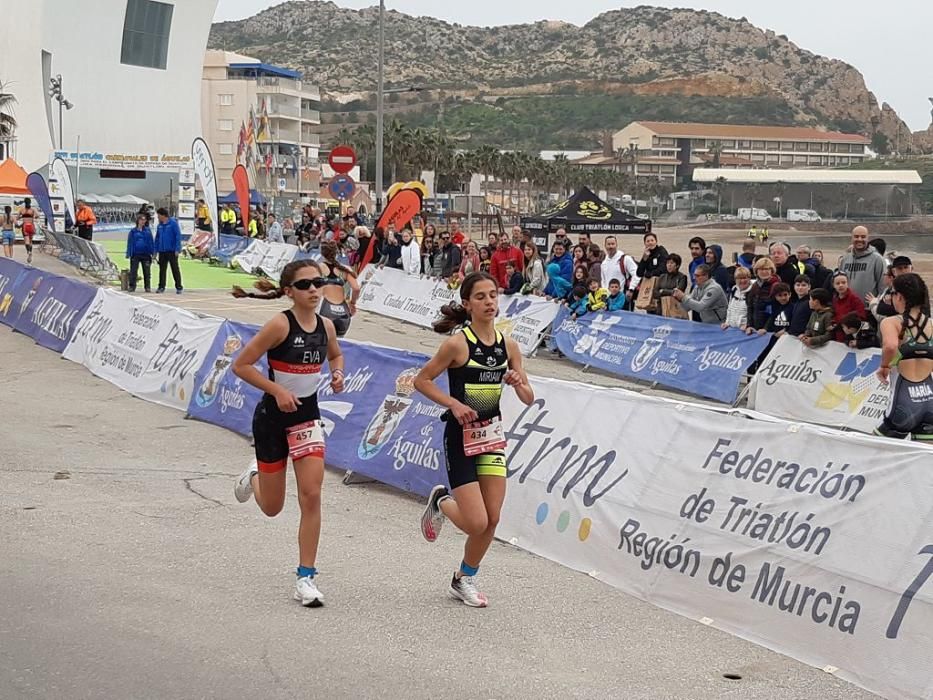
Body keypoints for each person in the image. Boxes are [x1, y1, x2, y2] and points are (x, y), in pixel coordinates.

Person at [415, 272, 534, 607]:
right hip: (461, 437)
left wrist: (516, 381)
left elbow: (528, 396)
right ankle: (441, 501)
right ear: (467, 305)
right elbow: (422, 380)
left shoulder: (509, 346)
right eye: (480, 297)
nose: (489, 302)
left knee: (492, 519)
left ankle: (463, 578)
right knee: (476, 521)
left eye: (493, 295)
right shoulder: (457, 344)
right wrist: (453, 404)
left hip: (491, 436)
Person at [232, 260, 345, 607]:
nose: (314, 289)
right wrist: (277, 391)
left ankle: (305, 577)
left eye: (319, 282)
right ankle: (253, 476)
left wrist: (337, 374)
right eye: (306, 284)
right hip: (272, 419)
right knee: (272, 507)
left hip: (307, 418)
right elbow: (242, 365)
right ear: (289, 291)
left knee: (311, 496)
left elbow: (335, 356)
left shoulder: (326, 326)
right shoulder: (280, 324)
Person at [875, 273, 933, 440]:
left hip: (904, 401)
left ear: (899, 296)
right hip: (929, 398)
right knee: (922, 459)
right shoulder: (930, 323)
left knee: (876, 455)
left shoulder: (891, 322)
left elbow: (891, 346)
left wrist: (884, 366)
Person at [838, 226, 886, 299]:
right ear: (852, 238)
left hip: (868, 308)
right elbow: (839, 283)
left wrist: (877, 304)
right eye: (856, 236)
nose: (859, 239)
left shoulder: (877, 259)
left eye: (863, 237)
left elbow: (883, 286)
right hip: (848, 307)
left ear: (867, 239)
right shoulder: (845, 259)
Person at [745, 258, 780, 334]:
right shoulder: (755, 285)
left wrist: (765, 328)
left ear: (772, 271)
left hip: (769, 330)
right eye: (761, 269)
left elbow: (776, 310)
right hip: (755, 328)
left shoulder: (776, 286)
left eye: (767, 269)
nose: (764, 272)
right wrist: (749, 325)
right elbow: (750, 307)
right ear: (756, 271)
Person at [154, 207, 183, 294]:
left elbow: (178, 236)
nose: (158, 218)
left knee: (175, 268)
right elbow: (157, 239)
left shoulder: (173, 224)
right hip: (162, 250)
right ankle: (161, 286)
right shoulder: (160, 226)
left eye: (159, 216)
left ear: (163, 215)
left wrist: (177, 249)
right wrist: (155, 251)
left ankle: (179, 286)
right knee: (162, 269)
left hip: (172, 250)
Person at [831, 272, 866, 343]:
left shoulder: (855, 299)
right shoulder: (835, 299)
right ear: (833, 285)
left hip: (850, 337)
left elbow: (861, 318)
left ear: (848, 284)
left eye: (843, 282)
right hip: (838, 336)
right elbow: (834, 315)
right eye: (837, 283)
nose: (841, 285)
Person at [125, 214, 155, 293]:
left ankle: (147, 287)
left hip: (146, 254)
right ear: (138, 221)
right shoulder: (133, 231)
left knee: (147, 272)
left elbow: (151, 242)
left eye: (144, 220)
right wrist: (128, 253)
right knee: (133, 271)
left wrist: (153, 253)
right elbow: (130, 242)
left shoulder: (148, 231)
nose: (143, 221)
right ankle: (132, 286)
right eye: (141, 220)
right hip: (136, 254)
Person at [17, 197, 36, 264]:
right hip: (31, 226)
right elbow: (37, 216)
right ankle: (30, 252)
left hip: (25, 226)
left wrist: (22, 216)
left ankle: (28, 252)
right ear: (30, 202)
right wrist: (32, 217)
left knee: (26, 241)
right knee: (30, 241)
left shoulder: (21, 210)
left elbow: (17, 218)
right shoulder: (33, 210)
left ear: (24, 202)